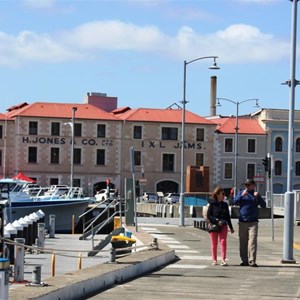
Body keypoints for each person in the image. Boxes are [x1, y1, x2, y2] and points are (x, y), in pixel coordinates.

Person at [233, 179, 266, 267]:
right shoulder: (241, 193)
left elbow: (264, 205)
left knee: (252, 241)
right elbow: (234, 202)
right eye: (246, 185)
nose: (247, 186)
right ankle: (244, 260)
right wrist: (241, 196)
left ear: (253, 185)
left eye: (249, 185)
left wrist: (258, 197)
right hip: (242, 221)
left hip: (253, 222)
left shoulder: (256, 195)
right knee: (243, 242)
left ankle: (252, 260)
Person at [207, 186, 234, 266]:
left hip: (223, 225)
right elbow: (209, 215)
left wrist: (231, 227)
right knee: (214, 243)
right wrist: (216, 221)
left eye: (224, 194)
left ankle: (223, 259)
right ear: (217, 194)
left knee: (223, 242)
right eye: (222, 194)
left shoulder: (225, 204)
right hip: (214, 226)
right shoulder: (212, 204)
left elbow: (228, 217)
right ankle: (214, 260)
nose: (224, 195)